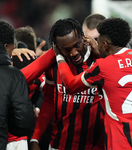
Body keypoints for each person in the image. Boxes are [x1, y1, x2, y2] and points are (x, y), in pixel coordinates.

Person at [54, 18, 132, 150]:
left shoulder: (103, 66)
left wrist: (59, 57)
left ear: (105, 44)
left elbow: (71, 85)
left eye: (99, 41)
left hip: (124, 143)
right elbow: (124, 68)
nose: (96, 44)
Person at [30, 18, 104, 150]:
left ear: (83, 38)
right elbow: (49, 100)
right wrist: (35, 138)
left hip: (95, 146)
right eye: (66, 49)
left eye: (77, 45)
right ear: (57, 48)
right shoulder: (53, 64)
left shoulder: (100, 61)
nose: (74, 53)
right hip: (59, 145)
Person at [0, 20, 35, 150]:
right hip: (11, 142)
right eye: (12, 48)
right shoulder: (13, 75)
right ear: (5, 46)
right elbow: (23, 123)